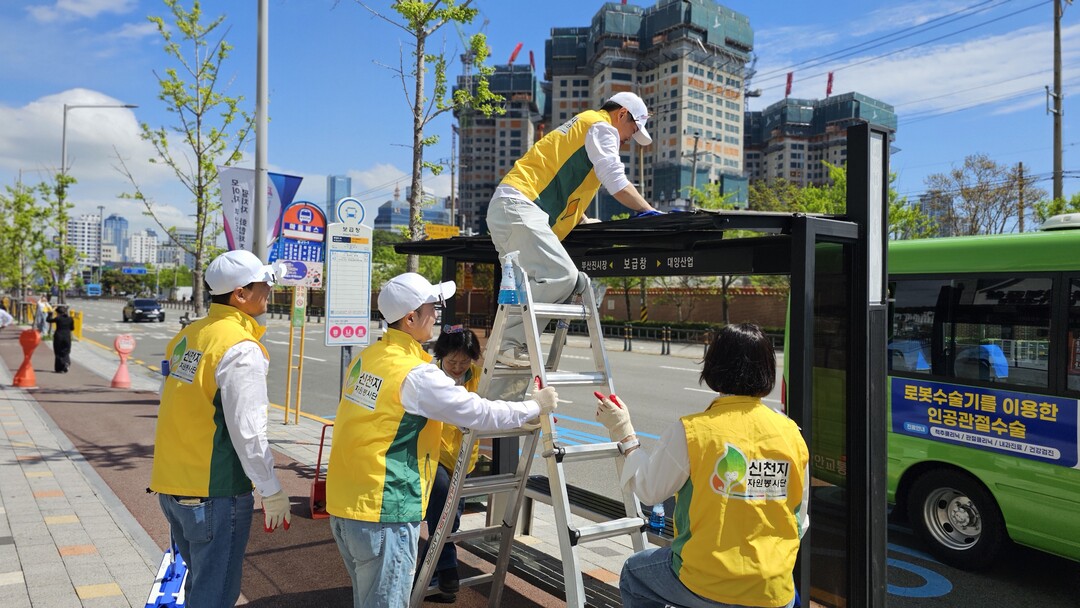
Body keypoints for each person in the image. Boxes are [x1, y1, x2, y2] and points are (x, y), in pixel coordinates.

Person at [325, 273, 559, 608]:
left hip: (346, 506)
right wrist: (534, 406)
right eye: (431, 308)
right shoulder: (415, 374)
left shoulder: (369, 357)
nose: (436, 314)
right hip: (384, 511)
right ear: (410, 318)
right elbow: (478, 413)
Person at [595, 323, 809, 608]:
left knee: (634, 575)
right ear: (768, 369)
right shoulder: (792, 433)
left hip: (706, 582)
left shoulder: (692, 432)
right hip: (774, 590)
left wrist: (624, 432)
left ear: (714, 366)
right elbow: (800, 518)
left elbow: (648, 490)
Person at [149, 249, 291, 607]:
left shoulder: (189, 335)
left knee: (200, 586)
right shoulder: (241, 347)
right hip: (215, 491)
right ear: (240, 294)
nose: (269, 290)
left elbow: (169, 399)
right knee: (215, 595)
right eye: (264, 283)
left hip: (173, 487)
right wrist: (271, 488)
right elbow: (249, 429)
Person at [486, 91, 661, 368]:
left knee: (526, 291)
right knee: (561, 276)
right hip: (520, 206)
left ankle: (506, 356)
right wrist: (649, 212)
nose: (629, 139)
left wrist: (582, 219)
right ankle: (507, 344)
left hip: (513, 208)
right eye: (633, 129)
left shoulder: (584, 127)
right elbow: (616, 181)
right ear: (622, 114)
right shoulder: (602, 127)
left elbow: (561, 182)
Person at [417, 325, 483, 601]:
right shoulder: (431, 377)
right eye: (452, 362)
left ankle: (425, 580)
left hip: (464, 458)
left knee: (448, 520)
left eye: (464, 362)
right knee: (443, 503)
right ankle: (447, 569)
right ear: (441, 356)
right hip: (435, 454)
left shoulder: (479, 377)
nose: (457, 368)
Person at [45, 305, 74, 373]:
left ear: (58, 313)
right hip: (67, 337)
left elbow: (48, 320)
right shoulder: (70, 319)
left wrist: (51, 312)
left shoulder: (58, 318)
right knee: (66, 351)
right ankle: (66, 362)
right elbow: (72, 328)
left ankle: (59, 368)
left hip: (58, 337)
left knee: (58, 352)